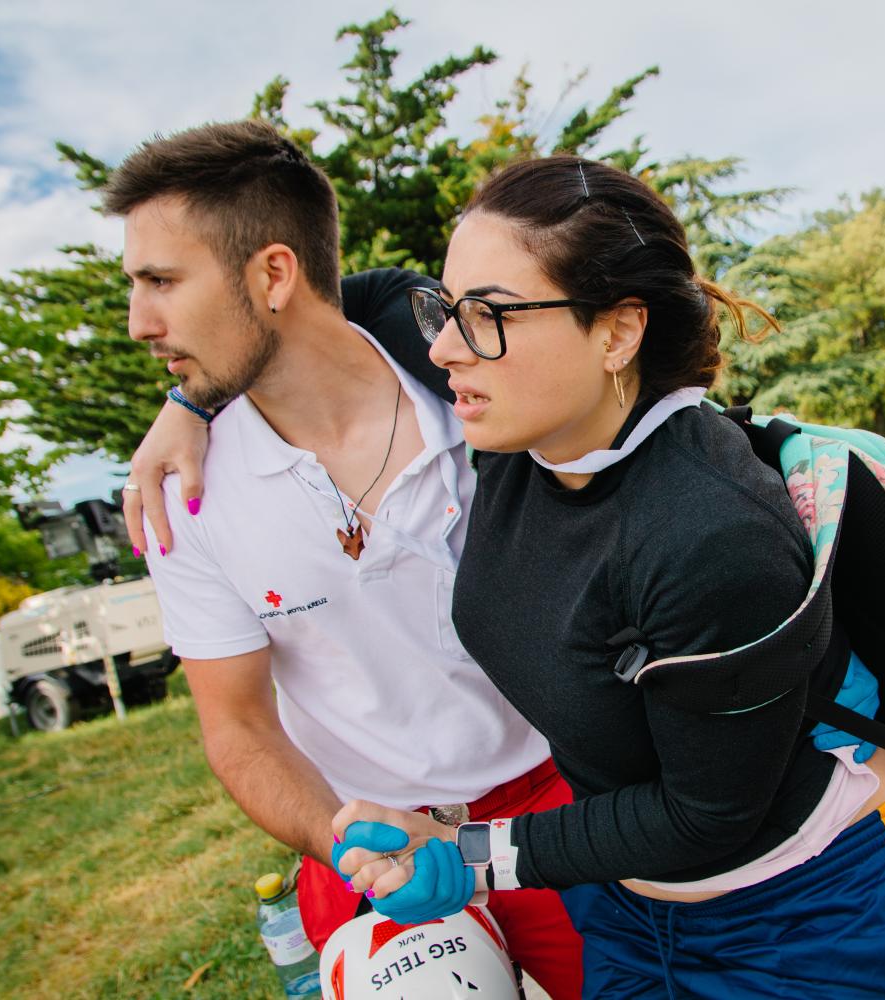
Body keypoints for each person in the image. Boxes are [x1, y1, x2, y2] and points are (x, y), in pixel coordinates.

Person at [327, 156, 885, 998]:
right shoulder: (528, 426)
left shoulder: (709, 532)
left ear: (618, 332)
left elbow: (705, 813)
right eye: (446, 309)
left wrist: (465, 853)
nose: (443, 347)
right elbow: (361, 298)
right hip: (625, 913)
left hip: (809, 929)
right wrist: (191, 410)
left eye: (486, 314)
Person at [107, 120, 583, 998]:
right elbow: (238, 726)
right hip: (370, 845)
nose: (140, 322)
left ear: (274, 274)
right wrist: (349, 842)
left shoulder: (475, 392)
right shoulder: (182, 493)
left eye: (162, 282)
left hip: (566, 805)